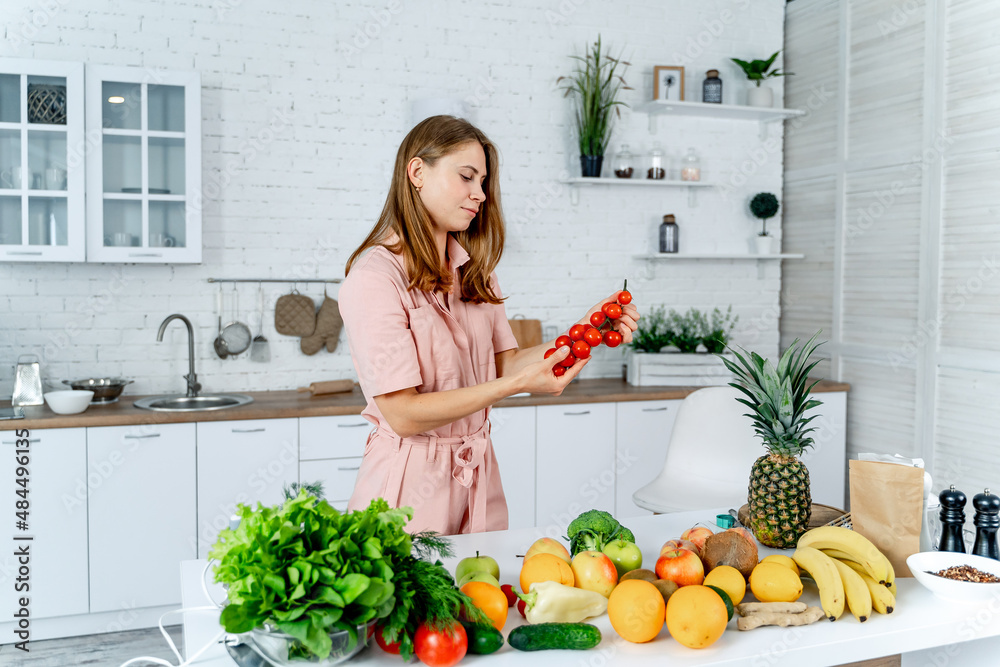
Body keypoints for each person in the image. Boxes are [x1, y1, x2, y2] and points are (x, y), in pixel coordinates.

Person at [338, 115, 639, 535]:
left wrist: (588, 329)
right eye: (467, 177)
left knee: (483, 598)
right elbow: (402, 414)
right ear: (417, 172)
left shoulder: (475, 273)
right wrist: (515, 387)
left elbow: (506, 364)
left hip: (478, 473)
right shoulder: (375, 278)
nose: (479, 194)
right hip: (407, 485)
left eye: (482, 182)